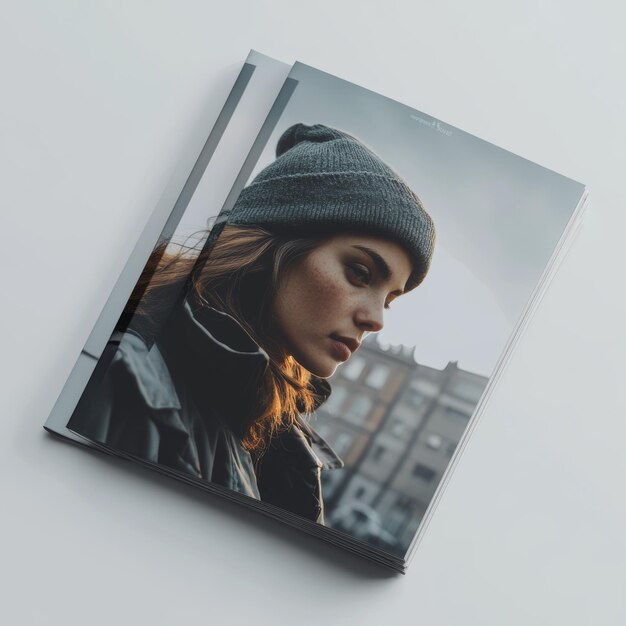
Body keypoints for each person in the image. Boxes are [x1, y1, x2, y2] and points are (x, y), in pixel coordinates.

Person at [68, 123, 436, 524]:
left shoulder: (271, 432)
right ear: (274, 246)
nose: (375, 319)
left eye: (388, 299)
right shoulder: (122, 377)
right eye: (360, 274)